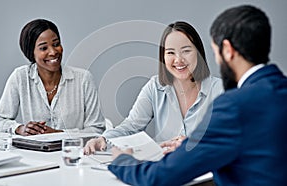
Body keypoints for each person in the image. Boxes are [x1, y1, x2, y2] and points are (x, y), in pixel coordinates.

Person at [107, 5, 287, 186]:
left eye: (215, 51)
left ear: (227, 50)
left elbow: (159, 177)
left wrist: (123, 161)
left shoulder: (232, 105)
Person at [84, 21, 223, 154]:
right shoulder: (155, 87)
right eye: (170, 52)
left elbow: (231, 138)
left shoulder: (220, 90)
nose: (178, 60)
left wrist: (194, 144)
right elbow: (131, 126)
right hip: (166, 169)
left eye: (186, 51)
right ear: (163, 57)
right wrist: (103, 139)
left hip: (207, 171)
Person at [0, 19, 106, 136]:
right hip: (33, 153)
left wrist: (59, 134)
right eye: (43, 48)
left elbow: (97, 129)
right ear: (31, 53)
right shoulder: (20, 77)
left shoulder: (83, 79)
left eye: (56, 44)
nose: (53, 52)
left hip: (72, 152)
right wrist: (20, 128)